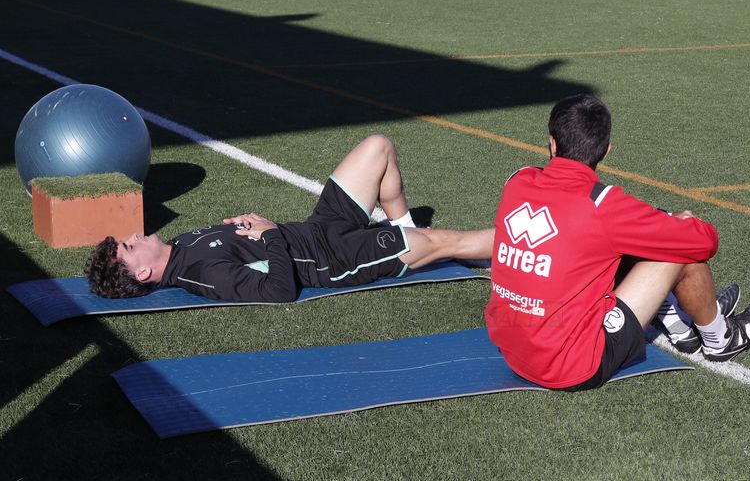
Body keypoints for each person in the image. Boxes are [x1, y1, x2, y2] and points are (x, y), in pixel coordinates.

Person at [484, 94, 750, 391]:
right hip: (571, 366)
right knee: (675, 249)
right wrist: (681, 221)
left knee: (613, 245)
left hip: (513, 352)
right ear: (606, 151)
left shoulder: (518, 181)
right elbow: (704, 241)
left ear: (552, 143)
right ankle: (719, 338)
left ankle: (678, 324)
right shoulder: (601, 204)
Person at [86, 134, 493, 302]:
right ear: (142, 274)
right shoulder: (200, 274)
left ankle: (404, 231)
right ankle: (549, 244)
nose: (135, 236)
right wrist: (269, 235)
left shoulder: (180, 247)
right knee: (447, 242)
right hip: (336, 259)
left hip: (318, 227)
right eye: (128, 247)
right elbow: (279, 290)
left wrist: (252, 227)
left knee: (377, 147)